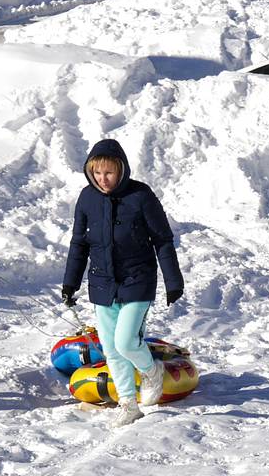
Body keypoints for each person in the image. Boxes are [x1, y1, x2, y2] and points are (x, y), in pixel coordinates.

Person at [62, 139, 184, 428]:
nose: (103, 180)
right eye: (97, 173)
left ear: (122, 170)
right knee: (112, 348)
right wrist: (70, 283)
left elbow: (162, 240)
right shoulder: (87, 198)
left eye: (109, 173)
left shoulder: (141, 195)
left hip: (137, 281)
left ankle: (152, 370)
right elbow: (79, 243)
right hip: (103, 285)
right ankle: (128, 404)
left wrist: (173, 280)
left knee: (127, 342)